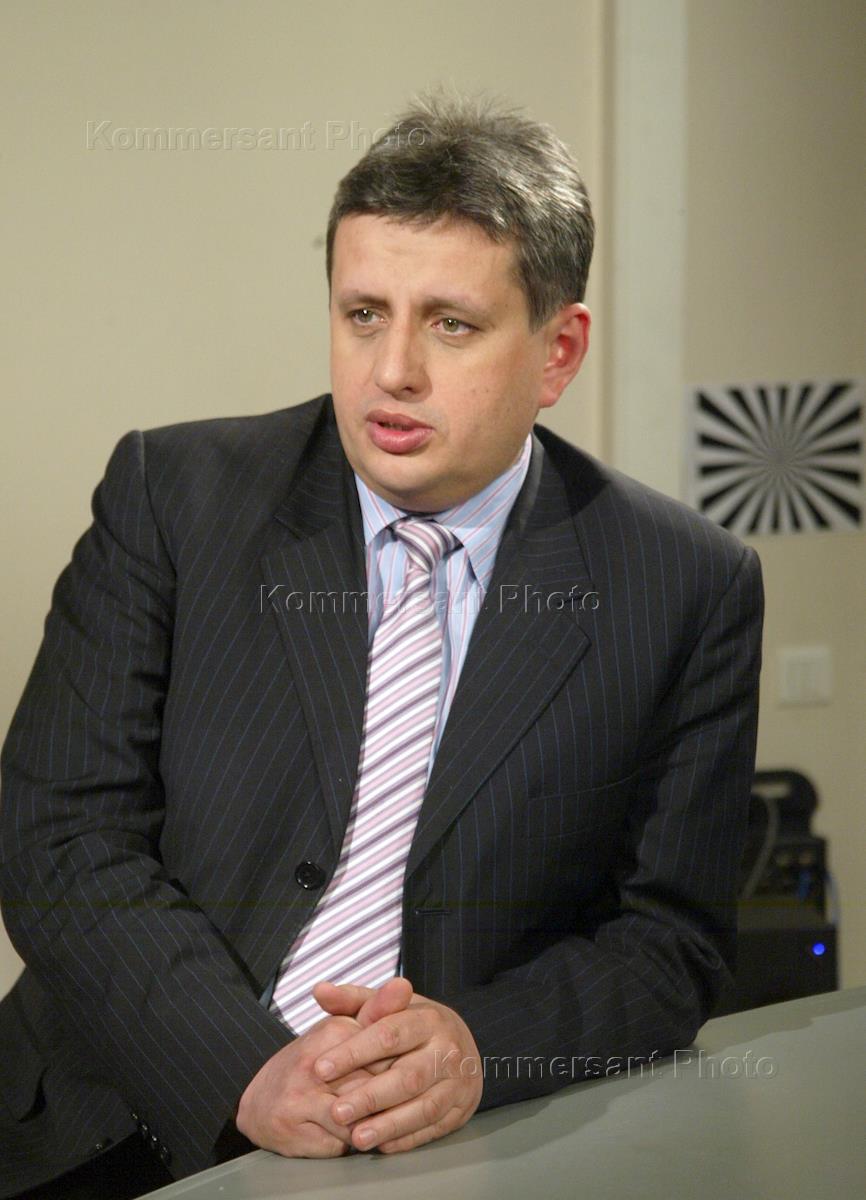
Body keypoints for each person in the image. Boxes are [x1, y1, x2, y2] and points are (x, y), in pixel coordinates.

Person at [0, 95, 763, 1198]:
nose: (391, 369)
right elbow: (56, 835)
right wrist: (242, 1069)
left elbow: (667, 943)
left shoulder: (685, 582)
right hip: (118, 1125)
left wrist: (480, 1049)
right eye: (363, 313)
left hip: (458, 1156)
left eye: (450, 324)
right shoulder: (173, 498)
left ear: (557, 351)